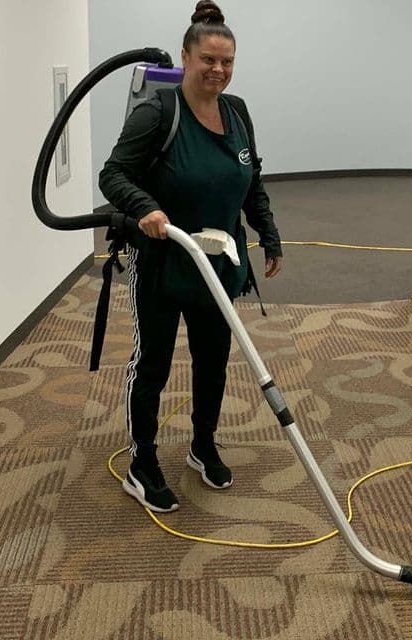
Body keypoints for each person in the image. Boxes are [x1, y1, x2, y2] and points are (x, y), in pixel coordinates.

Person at [99, 0, 283, 513]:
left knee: (213, 361)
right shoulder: (159, 112)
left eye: (227, 61)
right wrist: (146, 207)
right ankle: (142, 463)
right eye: (208, 60)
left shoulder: (237, 112)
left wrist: (269, 234)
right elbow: (113, 174)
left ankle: (203, 445)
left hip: (218, 264)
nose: (218, 70)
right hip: (164, 262)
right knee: (153, 365)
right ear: (185, 57)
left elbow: (250, 179)